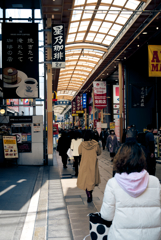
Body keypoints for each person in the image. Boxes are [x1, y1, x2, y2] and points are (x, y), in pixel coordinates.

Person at [100, 141, 161, 240]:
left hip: (121, 236)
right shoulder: (154, 182)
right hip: (151, 236)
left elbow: (106, 216)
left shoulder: (113, 183)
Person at [77, 130, 101, 203]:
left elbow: (79, 152)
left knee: (85, 180)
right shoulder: (96, 144)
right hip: (93, 164)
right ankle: (90, 193)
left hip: (84, 164)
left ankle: (88, 195)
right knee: (92, 180)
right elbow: (99, 153)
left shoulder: (82, 144)